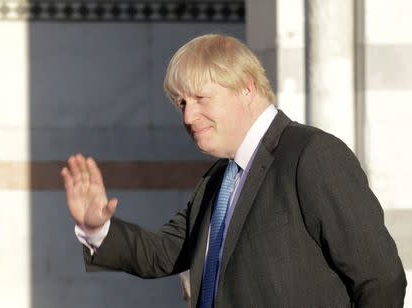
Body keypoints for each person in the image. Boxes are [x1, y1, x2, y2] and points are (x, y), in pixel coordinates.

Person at [61, 34, 407, 307]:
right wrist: (97, 228)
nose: (187, 116)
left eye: (200, 98)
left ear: (246, 87)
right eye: (181, 103)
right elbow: (163, 253)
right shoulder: (218, 180)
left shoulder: (312, 155)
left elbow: (381, 279)